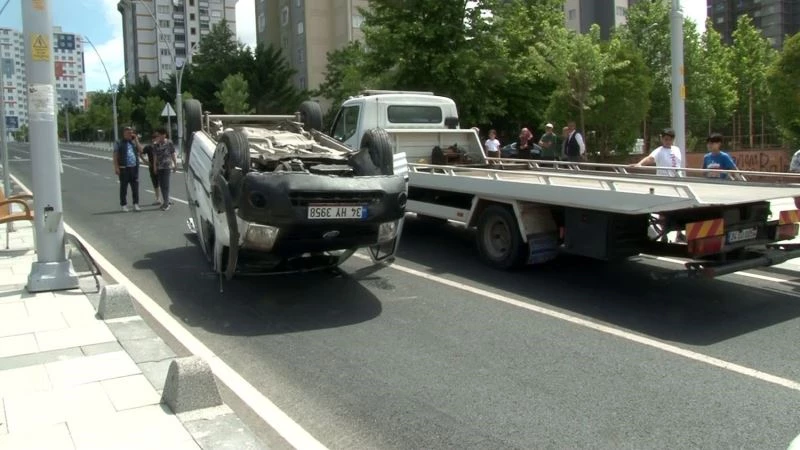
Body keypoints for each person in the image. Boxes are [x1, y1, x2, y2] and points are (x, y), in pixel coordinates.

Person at [113, 127, 143, 212]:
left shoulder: (133, 142)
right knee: (124, 187)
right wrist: (116, 167)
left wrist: (136, 140)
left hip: (134, 168)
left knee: (135, 187)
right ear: (124, 133)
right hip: (124, 168)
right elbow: (115, 155)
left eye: (131, 132)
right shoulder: (119, 142)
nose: (130, 134)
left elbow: (141, 151)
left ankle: (136, 204)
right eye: (128, 133)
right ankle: (124, 204)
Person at [152, 127, 177, 211]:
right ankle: (165, 201)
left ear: (164, 135)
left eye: (161, 135)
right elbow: (155, 155)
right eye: (158, 135)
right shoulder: (156, 144)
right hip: (159, 166)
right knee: (162, 185)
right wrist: (154, 166)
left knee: (166, 185)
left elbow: (172, 152)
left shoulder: (169, 143)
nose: (160, 137)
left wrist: (175, 164)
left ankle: (166, 203)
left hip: (167, 166)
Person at [141, 133, 162, 205]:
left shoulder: (161, 145)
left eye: (158, 138)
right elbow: (141, 153)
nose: (157, 139)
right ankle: (158, 198)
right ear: (152, 139)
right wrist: (145, 161)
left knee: (163, 183)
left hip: (161, 167)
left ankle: (166, 199)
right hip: (152, 167)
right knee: (155, 183)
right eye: (155, 138)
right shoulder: (148, 147)